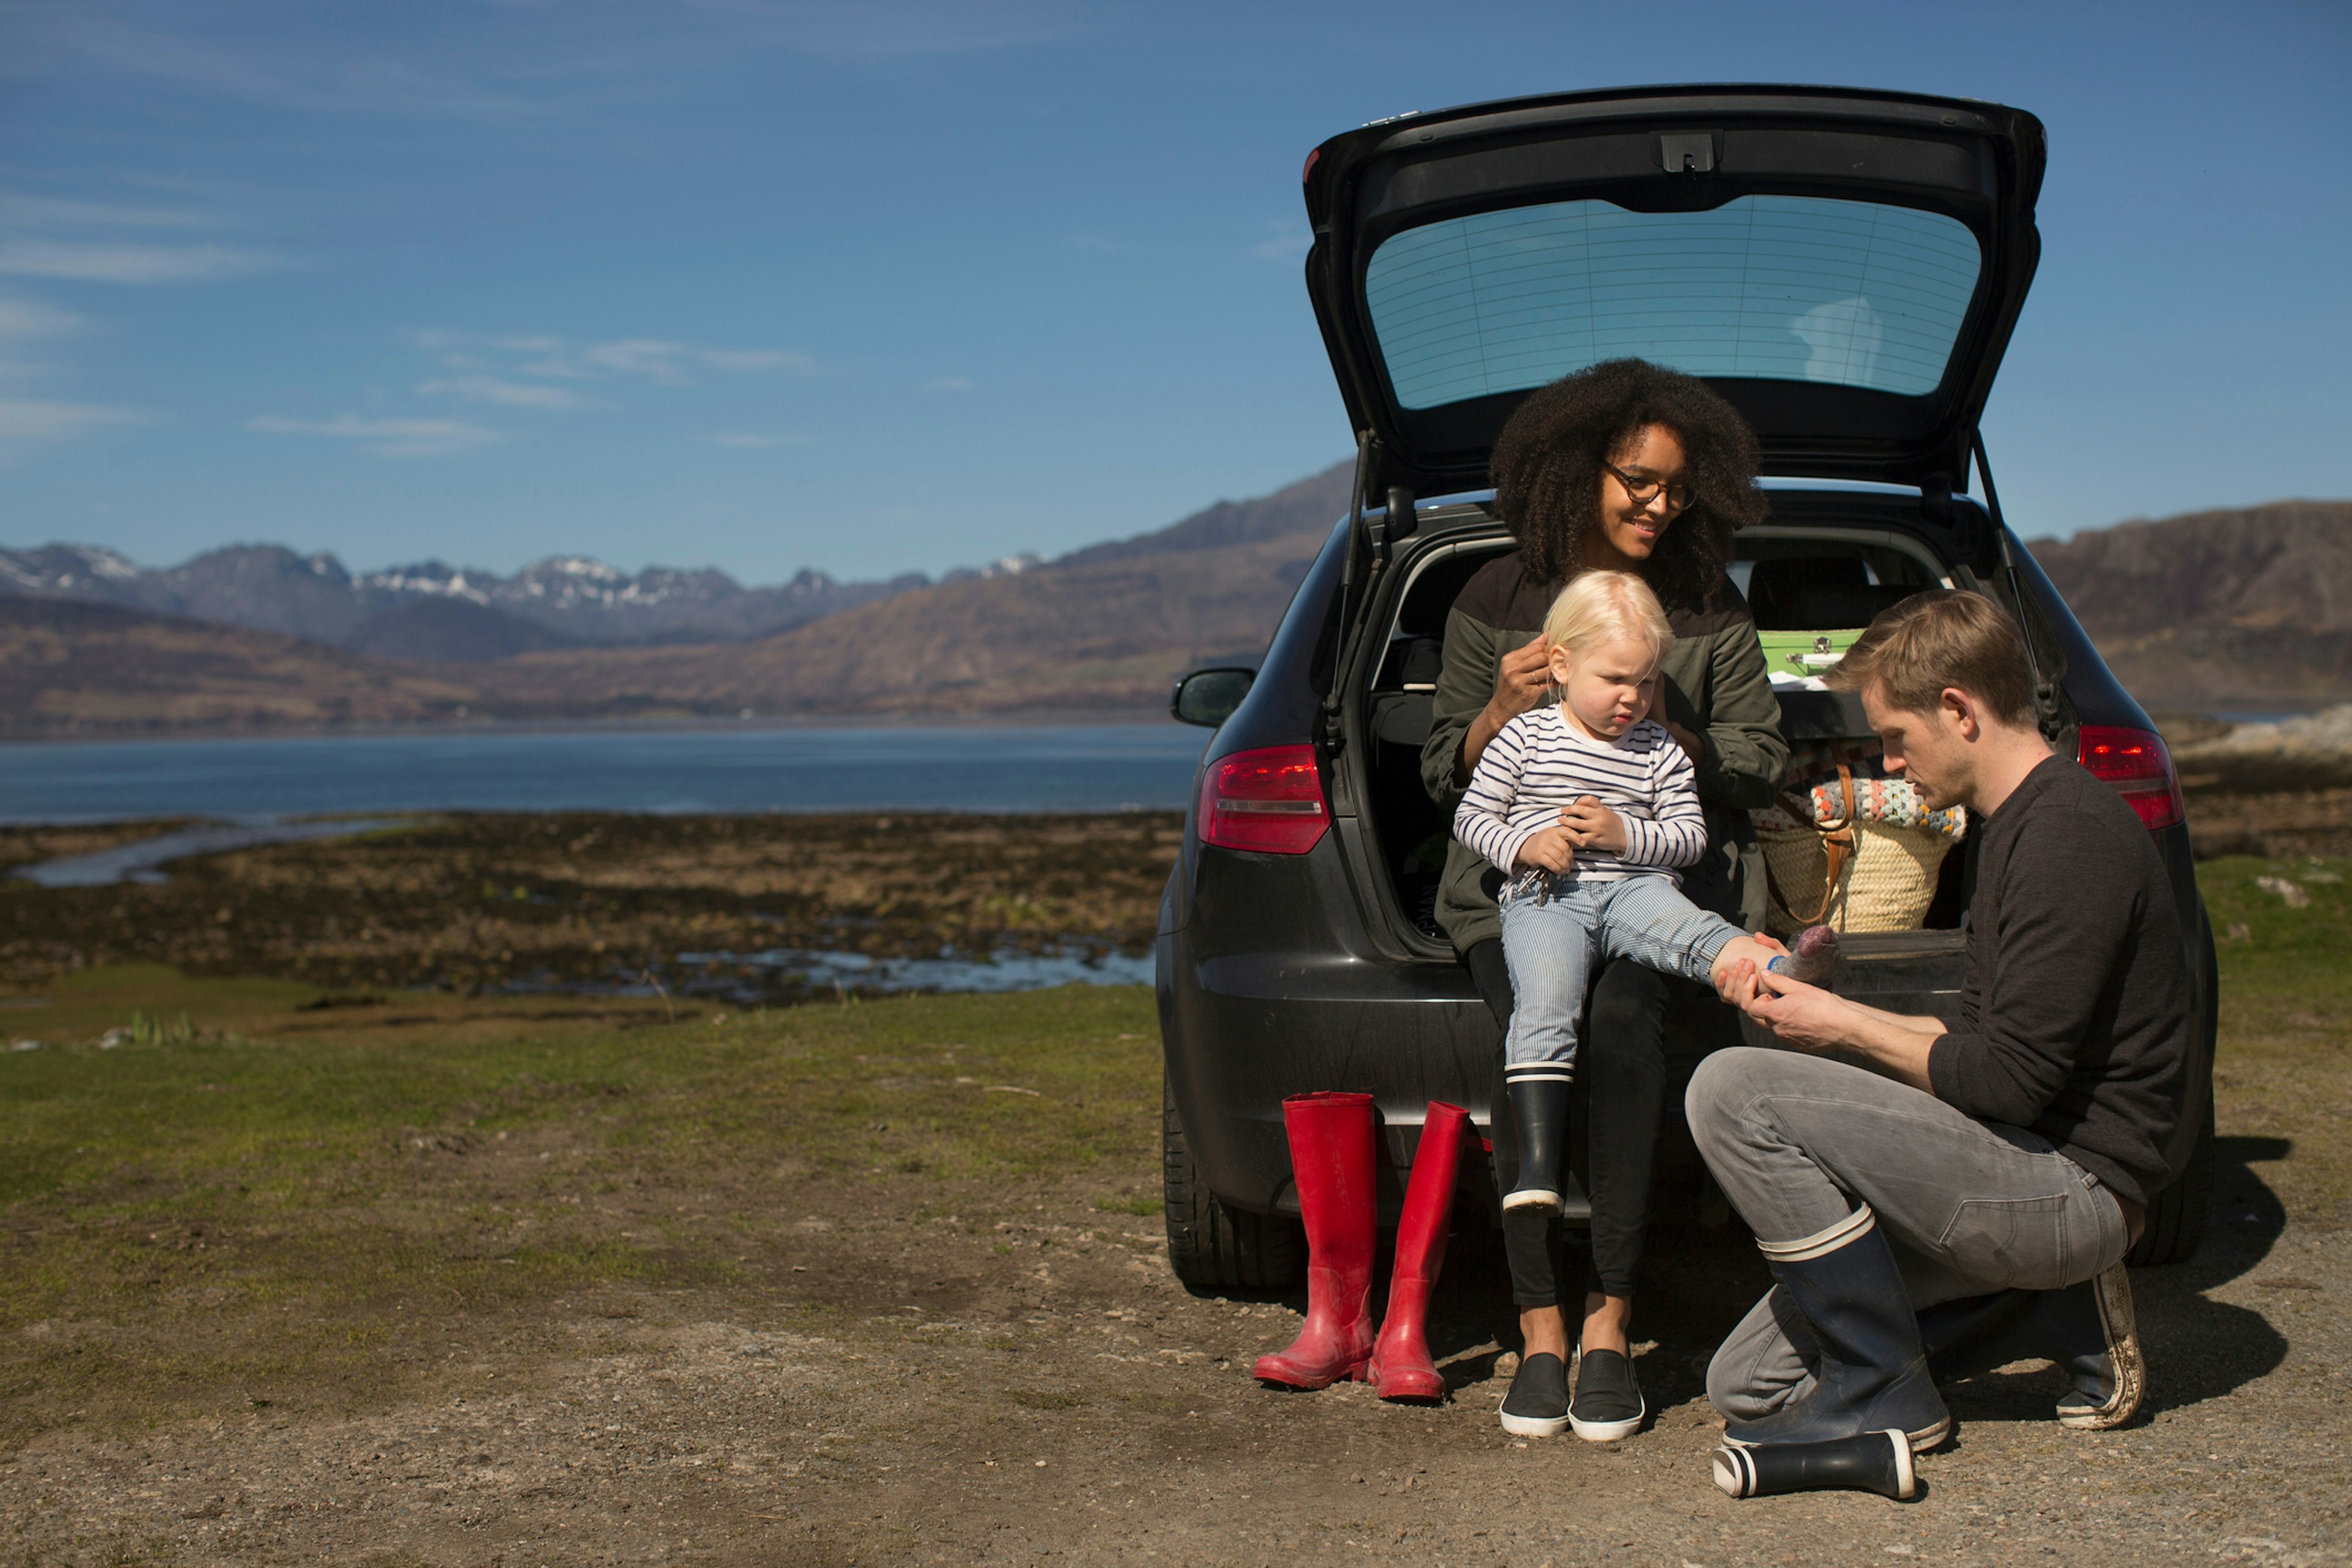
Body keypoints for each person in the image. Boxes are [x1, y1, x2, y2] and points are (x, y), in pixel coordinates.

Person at [1693, 590, 2192, 1452]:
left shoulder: (2069, 835)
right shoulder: (2009, 829)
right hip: (2019, 1162)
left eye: (1895, 737)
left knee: (1730, 1089)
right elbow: (1981, 1050)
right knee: (1746, 1385)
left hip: (2075, 1191)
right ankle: (2054, 1313)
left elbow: (2008, 1081)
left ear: (1959, 710)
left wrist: (1841, 1023)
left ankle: (1888, 1391)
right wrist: (1817, 1017)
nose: (1888, 765)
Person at [1420, 358, 1786, 1442]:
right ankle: (1539, 1330)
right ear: (1578, 468)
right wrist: (1500, 701)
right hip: (1516, 894)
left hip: (1655, 884)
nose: (1658, 503)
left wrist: (1656, 717)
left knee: (1626, 1024)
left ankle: (1611, 1324)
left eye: (1676, 486)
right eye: (1638, 478)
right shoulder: (1496, 600)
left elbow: (1763, 757)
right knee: (1536, 1027)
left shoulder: (1706, 606)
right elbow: (1446, 772)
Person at [1453, 570, 1836, 1218]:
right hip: (1547, 897)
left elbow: (1688, 839)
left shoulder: (1659, 748)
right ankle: (1539, 1168)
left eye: (1647, 681)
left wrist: (1622, 833)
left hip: (1633, 889)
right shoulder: (1523, 737)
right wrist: (1524, 846)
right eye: (1615, 680)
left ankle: (1782, 967)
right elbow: (1471, 818)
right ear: (1562, 665)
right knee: (1545, 1004)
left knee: (1695, 933)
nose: (1632, 698)